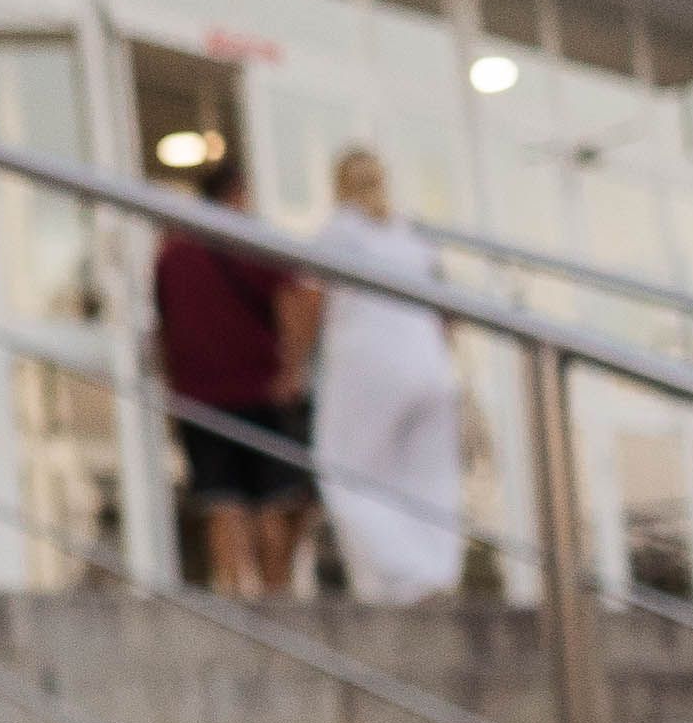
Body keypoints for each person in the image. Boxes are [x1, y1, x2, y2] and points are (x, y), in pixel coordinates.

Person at [151, 144, 314, 598]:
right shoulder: (253, 245)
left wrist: (172, 384)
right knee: (271, 501)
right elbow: (297, 303)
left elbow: (165, 327)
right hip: (258, 389)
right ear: (239, 193)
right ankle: (276, 598)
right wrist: (292, 370)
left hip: (200, 394)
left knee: (221, 498)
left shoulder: (173, 254)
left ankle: (234, 594)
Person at [311, 147, 472, 606]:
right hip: (429, 364)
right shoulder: (411, 234)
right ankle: (432, 574)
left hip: (368, 363)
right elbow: (448, 310)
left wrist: (291, 365)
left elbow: (310, 298)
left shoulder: (341, 230)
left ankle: (395, 573)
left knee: (345, 469)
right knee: (426, 476)